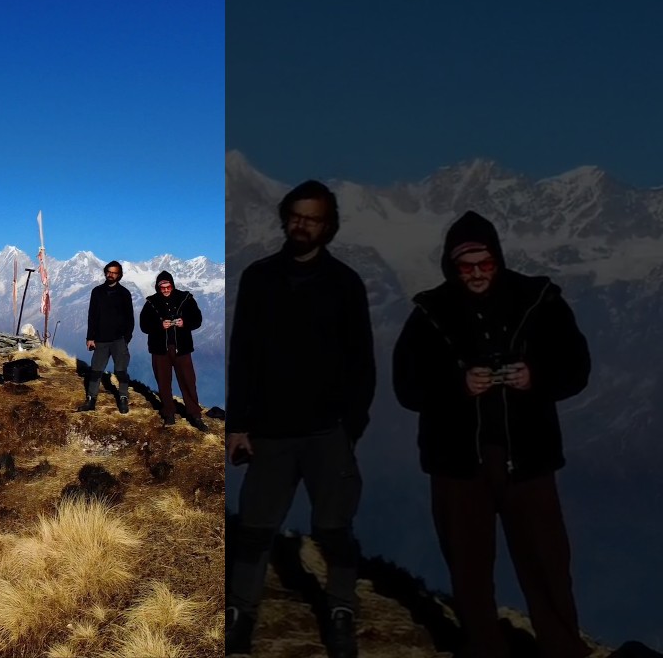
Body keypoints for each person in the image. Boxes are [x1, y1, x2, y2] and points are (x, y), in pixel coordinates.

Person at [392, 210, 593, 658]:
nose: (478, 274)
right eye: (467, 267)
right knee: (469, 570)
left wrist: (534, 376)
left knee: (548, 566)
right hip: (458, 464)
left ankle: (562, 649)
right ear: (452, 265)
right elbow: (406, 385)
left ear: (498, 259)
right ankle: (485, 648)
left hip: (529, 459)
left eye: (486, 264)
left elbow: (577, 366)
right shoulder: (429, 313)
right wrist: (457, 386)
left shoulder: (539, 299)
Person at [225, 180, 375, 658]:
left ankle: (340, 610)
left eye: (312, 218)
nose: (301, 224)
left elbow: (361, 362)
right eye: (295, 215)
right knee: (254, 528)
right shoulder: (259, 278)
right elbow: (243, 355)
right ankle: (239, 614)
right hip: (269, 431)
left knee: (334, 528)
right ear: (284, 217)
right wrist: (238, 424)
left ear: (328, 226)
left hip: (327, 430)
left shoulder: (345, 284)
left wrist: (349, 426)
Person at [139, 270, 206, 429]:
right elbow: (144, 325)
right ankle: (169, 413)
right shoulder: (151, 302)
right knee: (163, 382)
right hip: (159, 350)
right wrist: (159, 326)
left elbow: (197, 320)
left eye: (168, 287)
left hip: (182, 348)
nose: (166, 290)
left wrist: (185, 323)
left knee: (188, 382)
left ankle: (195, 415)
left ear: (173, 285)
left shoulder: (186, 299)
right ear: (158, 287)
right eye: (162, 288)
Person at [81, 260, 135, 414]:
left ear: (119, 275)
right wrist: (90, 337)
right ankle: (91, 400)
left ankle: (123, 398)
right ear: (105, 272)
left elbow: (129, 317)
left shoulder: (124, 293)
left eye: (114, 272)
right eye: (109, 271)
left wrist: (126, 338)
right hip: (100, 339)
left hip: (119, 339)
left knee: (121, 370)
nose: (111, 275)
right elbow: (92, 316)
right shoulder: (97, 292)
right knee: (96, 370)